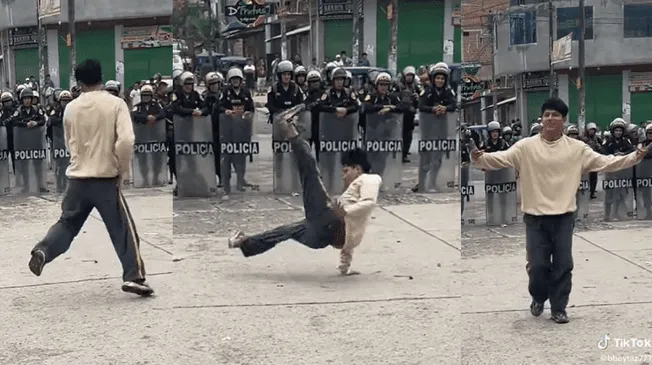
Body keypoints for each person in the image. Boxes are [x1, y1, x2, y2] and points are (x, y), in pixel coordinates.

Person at [471, 97, 648, 324]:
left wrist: (635, 156)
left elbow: (607, 162)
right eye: (547, 115)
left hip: (564, 217)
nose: (551, 119)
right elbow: (500, 159)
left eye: (556, 115)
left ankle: (559, 308)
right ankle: (538, 296)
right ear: (541, 119)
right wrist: (480, 157)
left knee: (563, 264)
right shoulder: (526, 147)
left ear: (563, 120)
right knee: (538, 266)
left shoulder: (577, 149)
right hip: (535, 218)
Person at [27, 59, 153, 296]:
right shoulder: (116, 104)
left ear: (79, 81)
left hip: (77, 178)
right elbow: (126, 140)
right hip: (105, 178)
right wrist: (122, 169)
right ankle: (134, 276)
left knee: (67, 224)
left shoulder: (71, 108)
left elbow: (69, 141)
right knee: (122, 230)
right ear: (101, 77)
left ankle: (43, 251)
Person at [227, 115, 382, 275]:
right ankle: (245, 243)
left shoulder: (369, 178)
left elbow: (369, 202)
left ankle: (291, 132)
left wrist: (344, 212)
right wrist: (345, 268)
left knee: (311, 173)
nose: (343, 176)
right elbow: (348, 241)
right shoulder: (352, 208)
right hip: (323, 236)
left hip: (329, 221)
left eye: (346, 171)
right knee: (285, 231)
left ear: (357, 168)